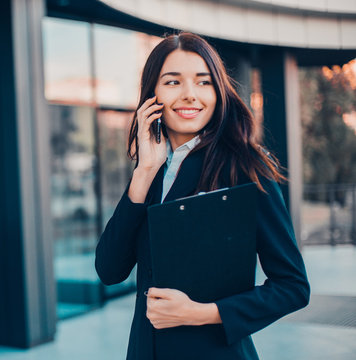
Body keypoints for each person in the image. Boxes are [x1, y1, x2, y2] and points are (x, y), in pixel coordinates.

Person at [94, 32, 310, 360]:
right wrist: (142, 174)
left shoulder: (247, 167)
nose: (190, 95)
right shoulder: (152, 170)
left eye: (203, 82)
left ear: (218, 91)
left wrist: (204, 313)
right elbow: (109, 270)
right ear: (152, 95)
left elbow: (293, 286)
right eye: (173, 82)